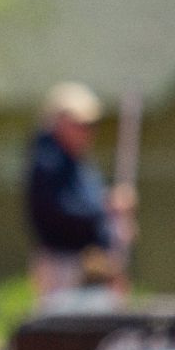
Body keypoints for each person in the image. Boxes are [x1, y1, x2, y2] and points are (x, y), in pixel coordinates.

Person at [25, 81, 135, 310]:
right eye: (81, 124)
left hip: (90, 262)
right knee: (64, 323)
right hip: (64, 264)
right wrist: (107, 207)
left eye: (91, 125)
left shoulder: (76, 161)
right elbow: (59, 209)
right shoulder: (49, 161)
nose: (88, 131)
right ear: (60, 121)